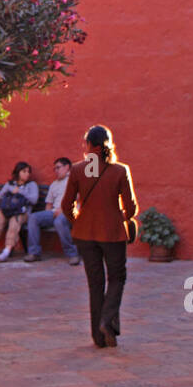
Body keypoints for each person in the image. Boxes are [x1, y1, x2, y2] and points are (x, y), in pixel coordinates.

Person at [60, 125, 136, 347]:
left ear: (88, 145)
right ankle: (107, 321)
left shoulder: (77, 169)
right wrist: (121, 216)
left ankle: (98, 337)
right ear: (109, 143)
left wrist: (78, 220)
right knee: (117, 278)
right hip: (112, 233)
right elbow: (131, 208)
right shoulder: (120, 170)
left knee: (95, 283)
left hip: (85, 234)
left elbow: (67, 206)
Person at [24, 157, 79, 264]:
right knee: (33, 218)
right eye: (55, 169)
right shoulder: (54, 184)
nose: (56, 171)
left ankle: (72, 254)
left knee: (59, 221)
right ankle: (34, 253)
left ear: (67, 167)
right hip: (54, 212)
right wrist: (47, 216)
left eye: (58, 168)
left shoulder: (75, 180)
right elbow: (49, 204)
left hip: (71, 212)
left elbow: (79, 198)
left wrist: (63, 209)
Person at [0, 161, 39, 262]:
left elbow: (34, 200)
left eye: (28, 172)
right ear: (18, 172)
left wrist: (21, 192)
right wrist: (9, 190)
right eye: (24, 171)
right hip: (7, 210)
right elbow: (0, 195)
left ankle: (6, 251)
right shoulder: (10, 184)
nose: (27, 174)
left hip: (22, 212)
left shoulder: (32, 185)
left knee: (14, 224)